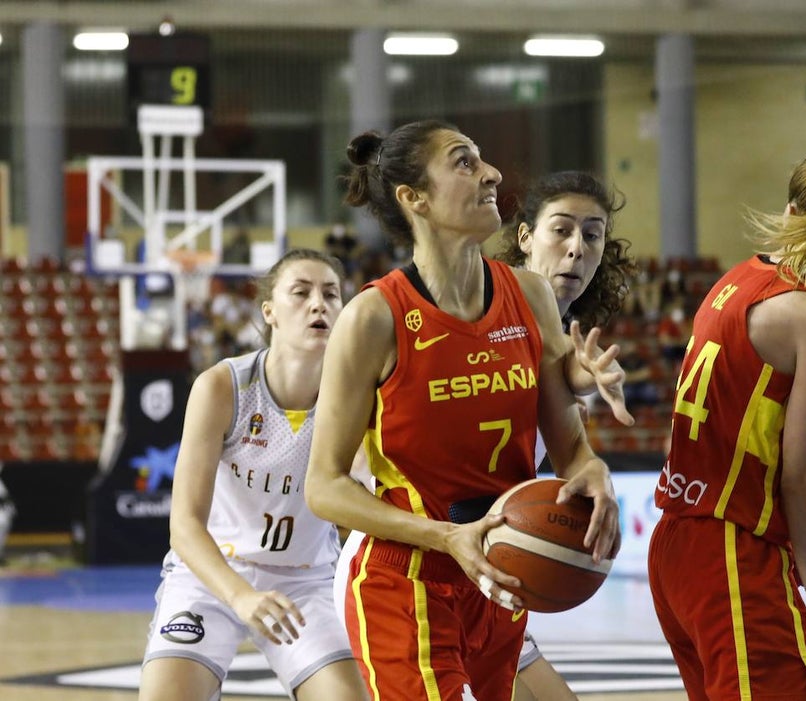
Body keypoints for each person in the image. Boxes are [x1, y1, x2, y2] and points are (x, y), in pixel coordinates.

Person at [305, 121, 620, 701]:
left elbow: (570, 448)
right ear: (414, 197)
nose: (493, 173)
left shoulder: (530, 295)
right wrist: (445, 536)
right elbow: (324, 487)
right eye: (465, 162)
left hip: (501, 580)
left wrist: (591, 472)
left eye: (483, 160)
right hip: (405, 581)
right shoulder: (374, 317)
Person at [647, 150, 806, 699]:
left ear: (790, 209)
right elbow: (799, 476)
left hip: (673, 542)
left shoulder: (734, 281)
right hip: (732, 547)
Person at [138, 249, 369, 701]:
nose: (318, 304)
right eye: (300, 293)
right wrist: (241, 595)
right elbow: (183, 525)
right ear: (270, 312)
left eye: (330, 294)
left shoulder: (358, 398)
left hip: (305, 581)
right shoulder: (222, 387)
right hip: (211, 575)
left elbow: (377, 485)